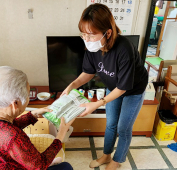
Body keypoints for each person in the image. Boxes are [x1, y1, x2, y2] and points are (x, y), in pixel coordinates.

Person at [61, 3, 148, 170]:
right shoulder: (91, 46)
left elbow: (123, 88)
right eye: (83, 34)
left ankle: (117, 160)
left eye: (91, 35)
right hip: (113, 87)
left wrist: (97, 103)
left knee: (123, 127)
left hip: (133, 90)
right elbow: (88, 72)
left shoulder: (124, 49)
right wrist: (72, 85)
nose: (86, 39)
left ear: (108, 33)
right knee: (111, 124)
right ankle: (106, 155)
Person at [0, 66, 74, 170]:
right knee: (66, 167)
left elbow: (0, 131)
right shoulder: (13, 137)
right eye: (27, 95)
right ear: (15, 103)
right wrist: (60, 136)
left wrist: (32, 115)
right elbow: (39, 166)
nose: (28, 98)